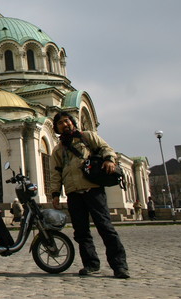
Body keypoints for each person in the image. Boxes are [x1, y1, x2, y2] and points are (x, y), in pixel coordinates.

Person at [50, 111, 130, 279]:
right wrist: (55, 193)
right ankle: (91, 264)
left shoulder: (87, 137)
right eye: (61, 123)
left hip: (92, 189)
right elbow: (56, 172)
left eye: (67, 121)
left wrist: (109, 159)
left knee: (105, 227)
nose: (65, 124)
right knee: (81, 232)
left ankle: (119, 266)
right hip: (73, 192)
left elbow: (105, 148)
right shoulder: (58, 149)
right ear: (57, 128)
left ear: (72, 122)